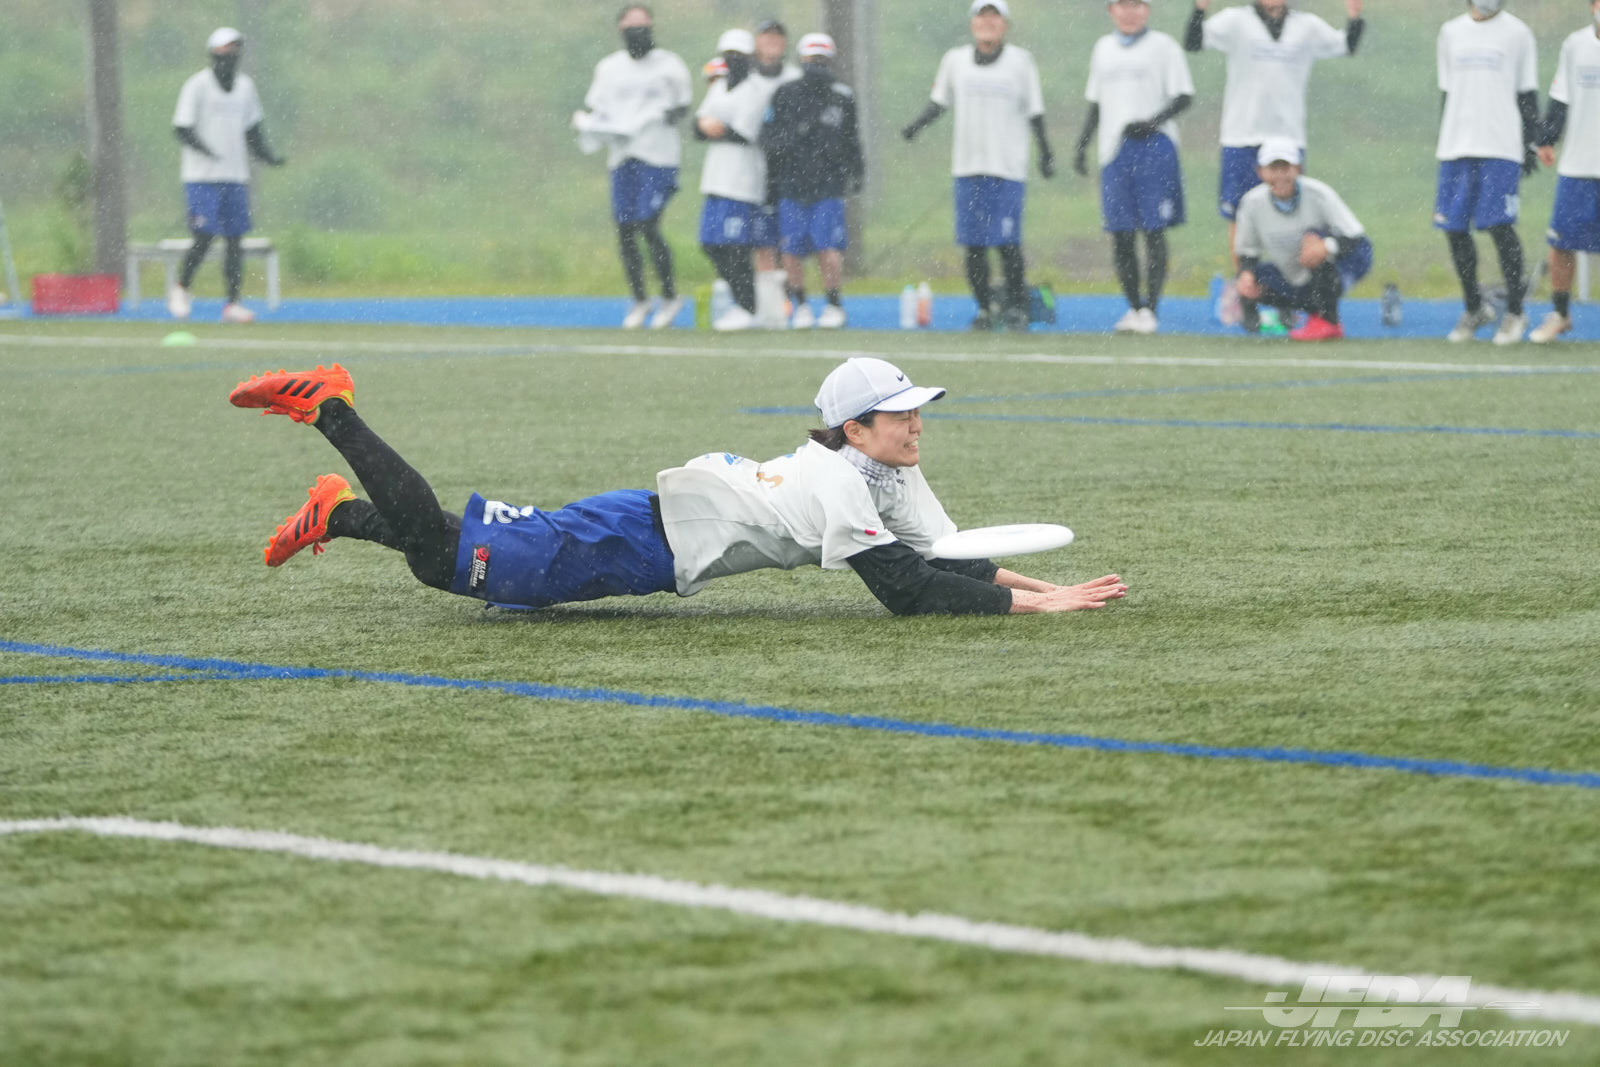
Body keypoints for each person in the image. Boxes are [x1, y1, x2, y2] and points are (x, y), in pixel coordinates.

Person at [227, 360, 1128, 617]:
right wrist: (1039, 608)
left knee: (444, 559)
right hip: (638, 541)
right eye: (901, 415)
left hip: (645, 532)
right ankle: (332, 409)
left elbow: (941, 558)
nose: (917, 425)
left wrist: (1045, 585)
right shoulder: (847, 484)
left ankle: (338, 512)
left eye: (917, 412)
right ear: (856, 429)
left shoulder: (879, 471)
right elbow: (905, 590)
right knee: (439, 553)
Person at [1183, 0, 1364, 330]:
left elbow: (1345, 46)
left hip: (1287, 137)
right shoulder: (1235, 20)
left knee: (1294, 217)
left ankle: (1290, 296)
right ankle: (1246, 293)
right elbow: (1194, 42)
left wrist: (1354, 16)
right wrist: (1198, 9)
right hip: (1242, 136)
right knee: (1240, 216)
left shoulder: (1306, 25)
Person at [902, 0, 1054, 331]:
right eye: (982, 17)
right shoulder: (955, 61)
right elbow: (939, 102)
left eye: (994, 17)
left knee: (1007, 243)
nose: (988, 23)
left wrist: (1045, 152)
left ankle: (1017, 308)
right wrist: (916, 125)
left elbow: (1035, 110)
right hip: (968, 168)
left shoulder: (1021, 62)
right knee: (974, 246)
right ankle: (984, 308)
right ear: (972, 24)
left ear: (1005, 25)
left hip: (1007, 168)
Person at [1075, 0, 1195, 335]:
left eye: (1136, 4)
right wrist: (1082, 144)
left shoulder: (1164, 47)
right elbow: (1096, 102)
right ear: (1111, 10)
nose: (1129, 12)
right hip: (1114, 151)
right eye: (1122, 5)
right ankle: (1134, 307)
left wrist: (1152, 122)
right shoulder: (1103, 49)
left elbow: (1184, 96)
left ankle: (1151, 309)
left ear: (1147, 9)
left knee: (1154, 230)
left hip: (1154, 147)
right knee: (1121, 233)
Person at [576, 5, 693, 330]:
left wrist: (662, 116)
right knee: (625, 229)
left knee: (648, 223)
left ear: (652, 26)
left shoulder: (669, 65)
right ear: (620, 30)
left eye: (643, 25)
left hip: (658, 157)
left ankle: (669, 296)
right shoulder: (609, 68)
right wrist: (591, 125)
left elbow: (682, 107)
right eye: (631, 26)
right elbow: (598, 109)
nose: (638, 32)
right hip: (622, 157)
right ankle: (640, 299)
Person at [1434, 0, 1540, 345]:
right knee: (1454, 228)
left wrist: (1530, 143)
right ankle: (1474, 306)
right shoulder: (1450, 32)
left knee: (1498, 226)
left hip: (1500, 145)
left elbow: (1527, 94)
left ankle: (1515, 311)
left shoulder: (1518, 33)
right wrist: (1446, 135)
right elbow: (1447, 92)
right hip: (1456, 147)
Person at [168, 27, 285, 325]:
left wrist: (268, 156)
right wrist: (204, 149)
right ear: (213, 53)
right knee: (205, 235)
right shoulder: (197, 85)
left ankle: (232, 303)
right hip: (201, 177)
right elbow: (182, 127)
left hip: (235, 176)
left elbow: (252, 130)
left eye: (235, 50)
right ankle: (181, 287)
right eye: (225, 50)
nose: (230, 55)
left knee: (235, 240)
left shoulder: (245, 87)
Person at [762, 33, 865, 329]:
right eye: (811, 58)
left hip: (828, 185)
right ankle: (802, 305)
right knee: (791, 250)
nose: (816, 64)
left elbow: (851, 139)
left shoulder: (842, 96)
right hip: (792, 184)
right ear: (802, 59)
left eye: (821, 59)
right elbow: (768, 136)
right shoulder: (785, 93)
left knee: (827, 247)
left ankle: (833, 304)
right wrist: (789, 144)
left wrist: (857, 170)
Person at [1233, 139, 1372, 342]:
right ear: (1260, 172)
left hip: (1346, 261)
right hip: (1297, 272)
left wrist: (1326, 246)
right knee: (1253, 279)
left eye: (1285, 168)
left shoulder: (1319, 194)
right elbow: (1248, 252)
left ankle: (1328, 321)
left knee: (1312, 240)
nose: (1280, 176)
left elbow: (1354, 237)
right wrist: (1245, 274)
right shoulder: (1252, 203)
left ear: (1298, 169)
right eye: (1273, 169)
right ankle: (1292, 314)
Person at [1530, 0, 1600, 344]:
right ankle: (1560, 313)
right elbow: (1561, 98)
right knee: (1561, 244)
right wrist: (1547, 139)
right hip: (1578, 165)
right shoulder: (1575, 45)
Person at [694, 29, 770, 331]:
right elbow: (698, 126)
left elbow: (743, 133)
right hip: (715, 178)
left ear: (750, 58)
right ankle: (742, 301)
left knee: (736, 247)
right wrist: (710, 126)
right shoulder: (719, 86)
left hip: (742, 180)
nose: (733, 60)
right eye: (728, 55)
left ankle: (749, 307)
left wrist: (714, 126)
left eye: (739, 55)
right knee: (710, 244)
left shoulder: (756, 90)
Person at [749, 19, 804, 325]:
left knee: (789, 239)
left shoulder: (795, 77)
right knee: (762, 240)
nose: (772, 41)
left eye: (777, 37)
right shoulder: (745, 77)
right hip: (753, 170)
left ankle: (792, 300)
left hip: (790, 170)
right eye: (766, 36)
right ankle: (769, 304)